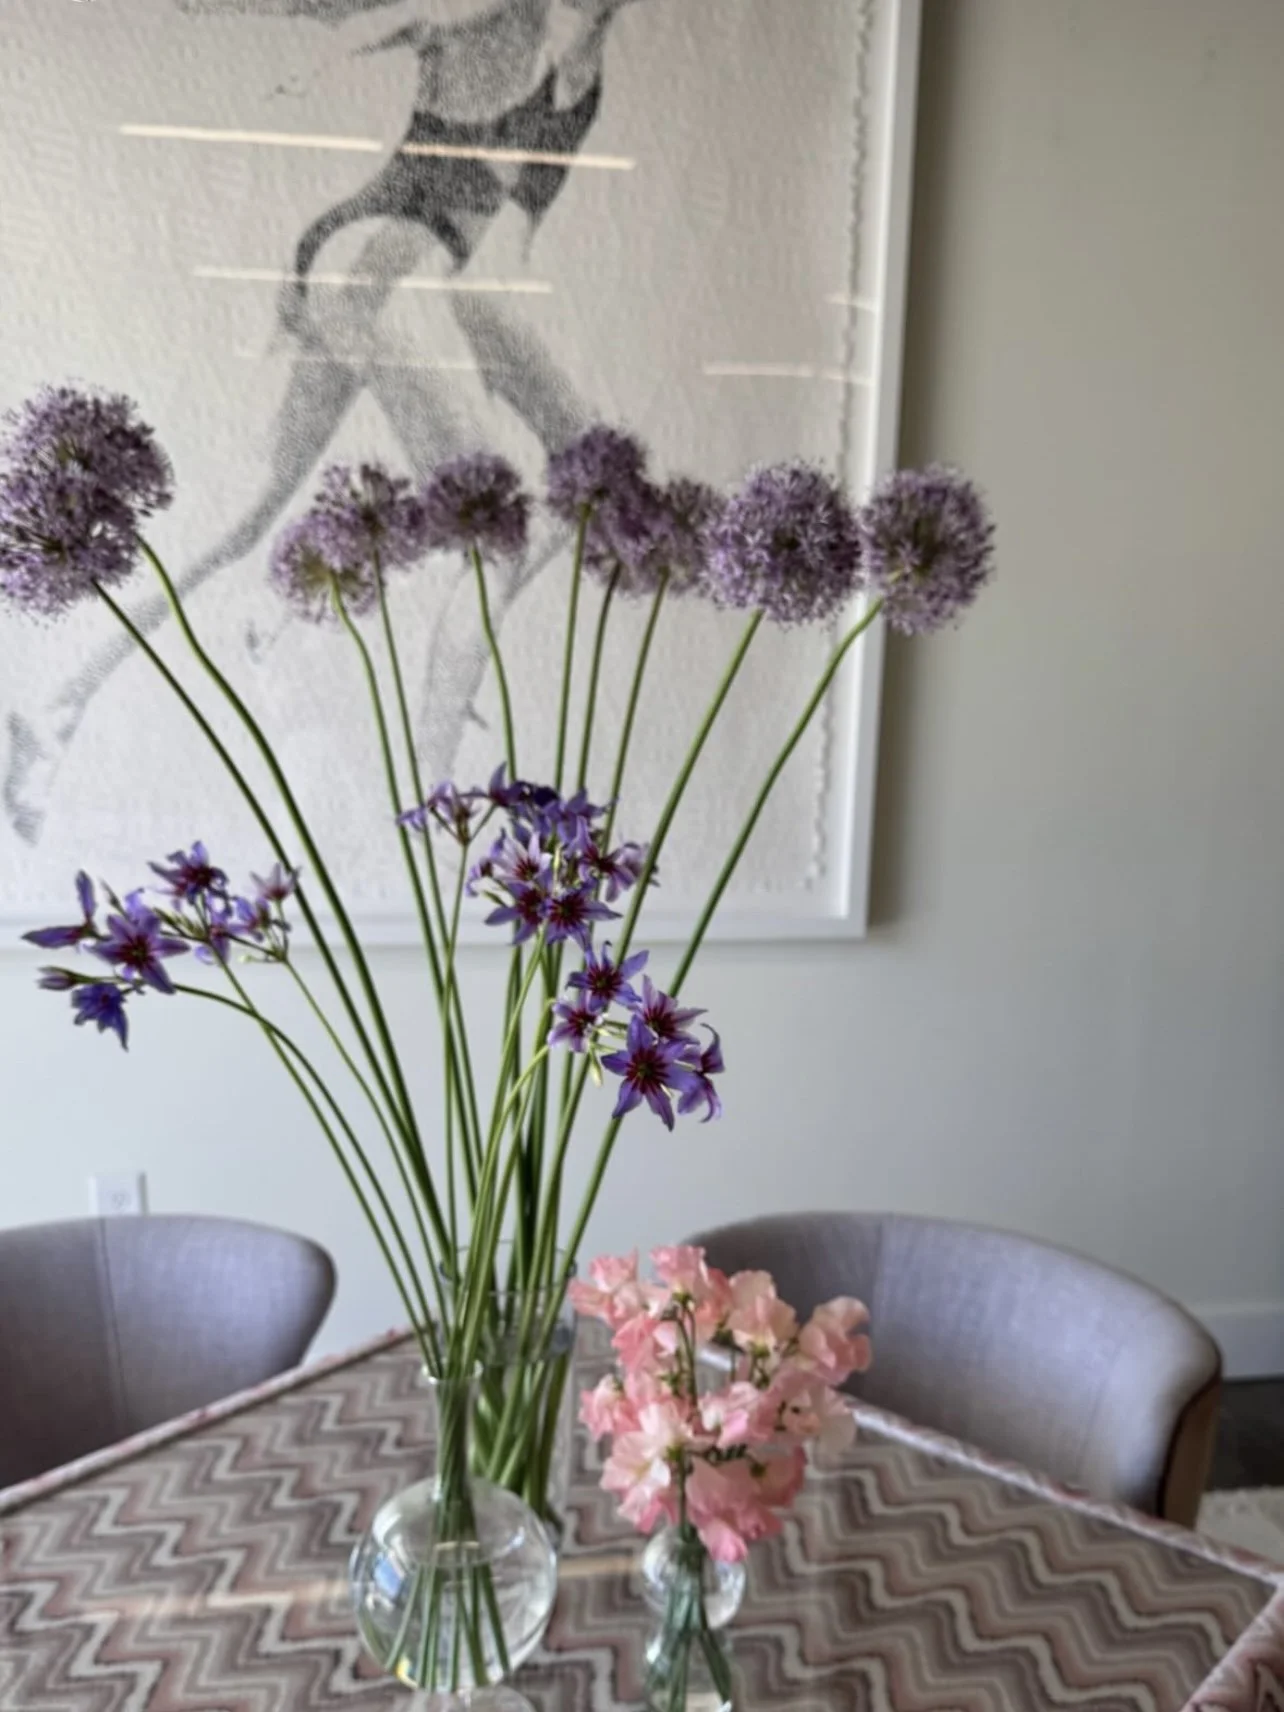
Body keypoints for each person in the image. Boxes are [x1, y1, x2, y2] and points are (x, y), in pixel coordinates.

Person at [5, 0, 645, 843]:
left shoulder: (579, 75)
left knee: (251, 509)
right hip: (375, 262)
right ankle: (428, 796)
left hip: (370, 272)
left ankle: (55, 705)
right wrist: (322, 59)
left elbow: (499, 266)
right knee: (502, 536)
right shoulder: (510, 18)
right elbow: (410, 17)